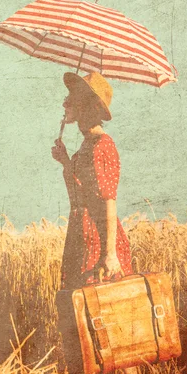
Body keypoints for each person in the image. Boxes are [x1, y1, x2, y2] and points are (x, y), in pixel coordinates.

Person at [51, 71, 133, 290]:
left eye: (70, 100)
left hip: (98, 241)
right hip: (80, 236)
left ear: (83, 105)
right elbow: (82, 191)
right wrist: (65, 161)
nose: (64, 104)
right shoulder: (88, 144)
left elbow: (108, 200)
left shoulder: (101, 146)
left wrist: (110, 254)